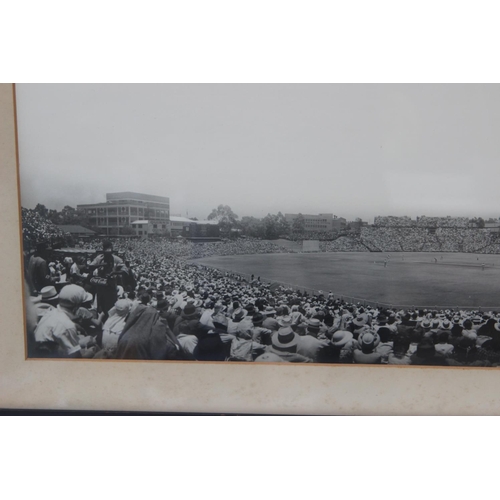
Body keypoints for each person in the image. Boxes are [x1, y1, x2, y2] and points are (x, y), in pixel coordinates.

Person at [33, 284, 97, 358]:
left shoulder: (51, 313)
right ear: (76, 306)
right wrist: (90, 352)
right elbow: (74, 357)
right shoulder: (67, 325)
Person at [89, 240, 126, 315]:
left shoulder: (116, 259)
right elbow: (90, 267)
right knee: (100, 305)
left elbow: (125, 271)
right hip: (100, 285)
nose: (108, 255)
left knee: (111, 305)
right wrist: (101, 265)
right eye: (106, 253)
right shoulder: (99, 258)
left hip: (111, 285)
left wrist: (114, 272)